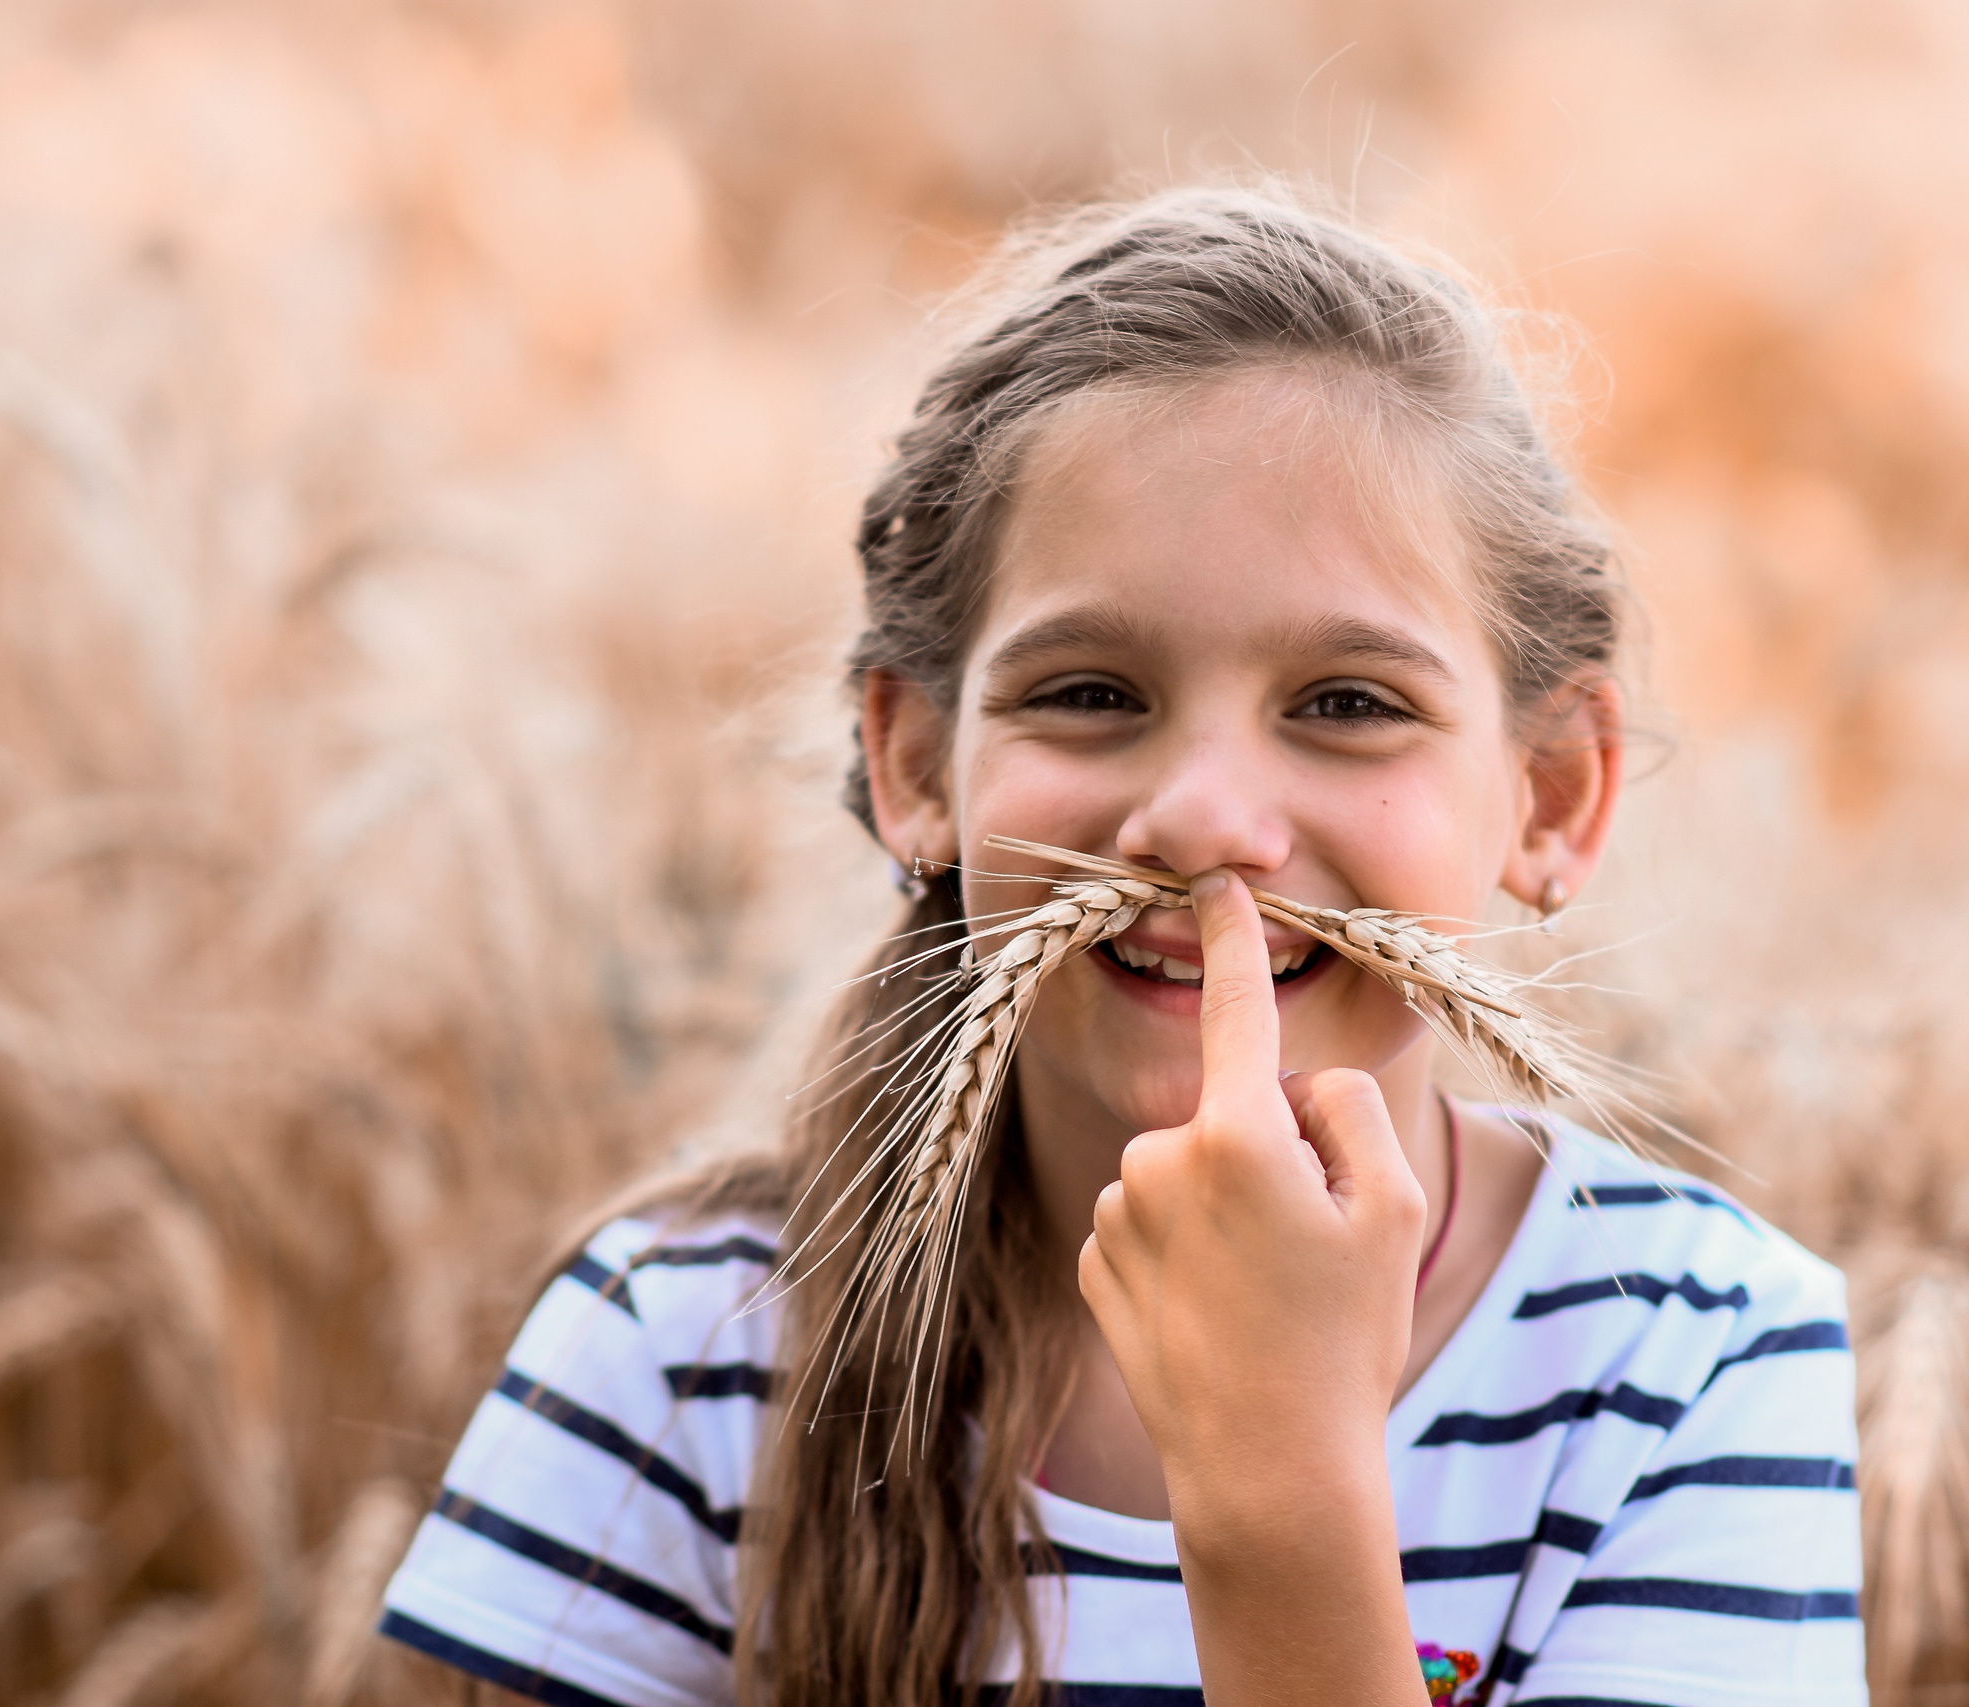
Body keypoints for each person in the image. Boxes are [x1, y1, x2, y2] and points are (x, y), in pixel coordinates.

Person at [378, 185, 1865, 1707]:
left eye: (1348, 703)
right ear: (914, 766)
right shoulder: (679, 1360)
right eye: (1090, 692)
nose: (1208, 819)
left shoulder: (1694, 1359)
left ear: (1551, 793)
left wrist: (1279, 1486)